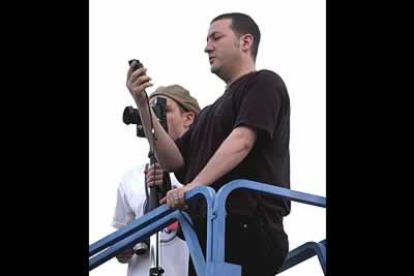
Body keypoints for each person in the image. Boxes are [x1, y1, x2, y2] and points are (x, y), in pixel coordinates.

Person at [126, 12, 291, 276]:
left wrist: (195, 185)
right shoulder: (208, 114)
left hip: (248, 227)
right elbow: (173, 160)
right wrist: (143, 104)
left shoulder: (264, 83)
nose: (207, 47)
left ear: (245, 42)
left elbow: (242, 142)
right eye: (206, 40)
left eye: (216, 37)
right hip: (208, 234)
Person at [112, 85, 201, 276]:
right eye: (148, 113)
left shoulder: (203, 169)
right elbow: (121, 242)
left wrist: (171, 186)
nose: (154, 120)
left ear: (188, 118)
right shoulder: (131, 177)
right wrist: (122, 249)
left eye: (162, 111)